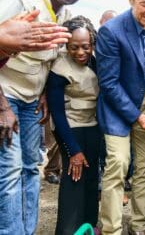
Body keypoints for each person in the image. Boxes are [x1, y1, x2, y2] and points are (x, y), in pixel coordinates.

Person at [0, 0, 88, 234]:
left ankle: (26, 229)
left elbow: (52, 61)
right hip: (6, 97)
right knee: (10, 172)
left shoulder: (65, 16)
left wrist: (46, 96)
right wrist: (2, 108)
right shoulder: (20, 2)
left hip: (31, 102)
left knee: (30, 169)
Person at [96, 0, 145, 235]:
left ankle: (138, 226)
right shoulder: (111, 31)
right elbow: (109, 83)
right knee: (118, 163)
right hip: (117, 106)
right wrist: (136, 115)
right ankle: (112, 229)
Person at [46, 16, 101, 235]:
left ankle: (90, 226)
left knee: (91, 178)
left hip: (93, 126)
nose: (80, 52)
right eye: (74, 47)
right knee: (74, 176)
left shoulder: (95, 61)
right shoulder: (59, 69)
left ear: (92, 44)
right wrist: (73, 150)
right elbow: (58, 114)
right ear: (66, 46)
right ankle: (68, 230)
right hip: (70, 128)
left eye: (85, 47)